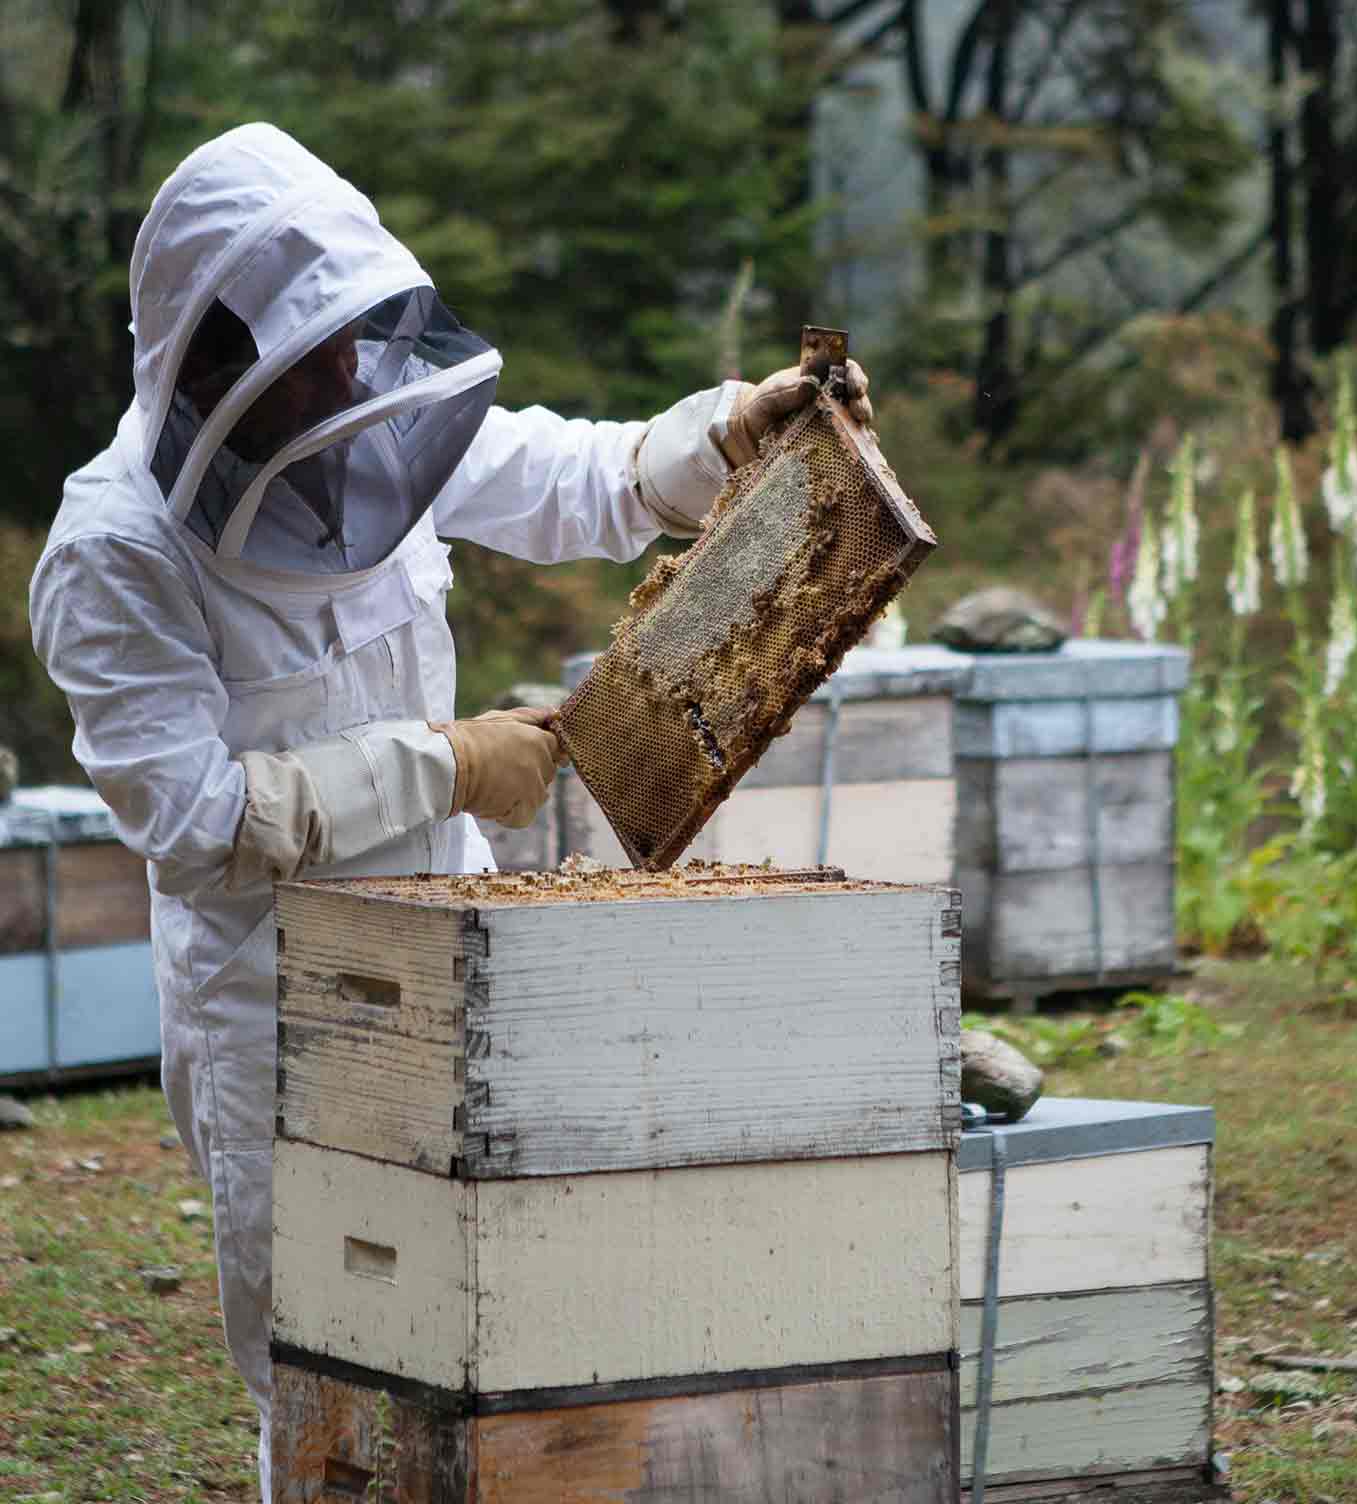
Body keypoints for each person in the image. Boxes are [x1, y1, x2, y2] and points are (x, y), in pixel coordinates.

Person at [28, 123, 873, 1500]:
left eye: (357, 338)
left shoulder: (369, 426)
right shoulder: (113, 553)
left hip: (460, 959)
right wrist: (449, 761)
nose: (350, 377)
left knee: (502, 1339)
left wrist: (727, 428)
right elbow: (191, 825)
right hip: (278, 1010)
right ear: (215, 361)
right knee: (332, 1383)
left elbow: (576, 477)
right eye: (310, 354)